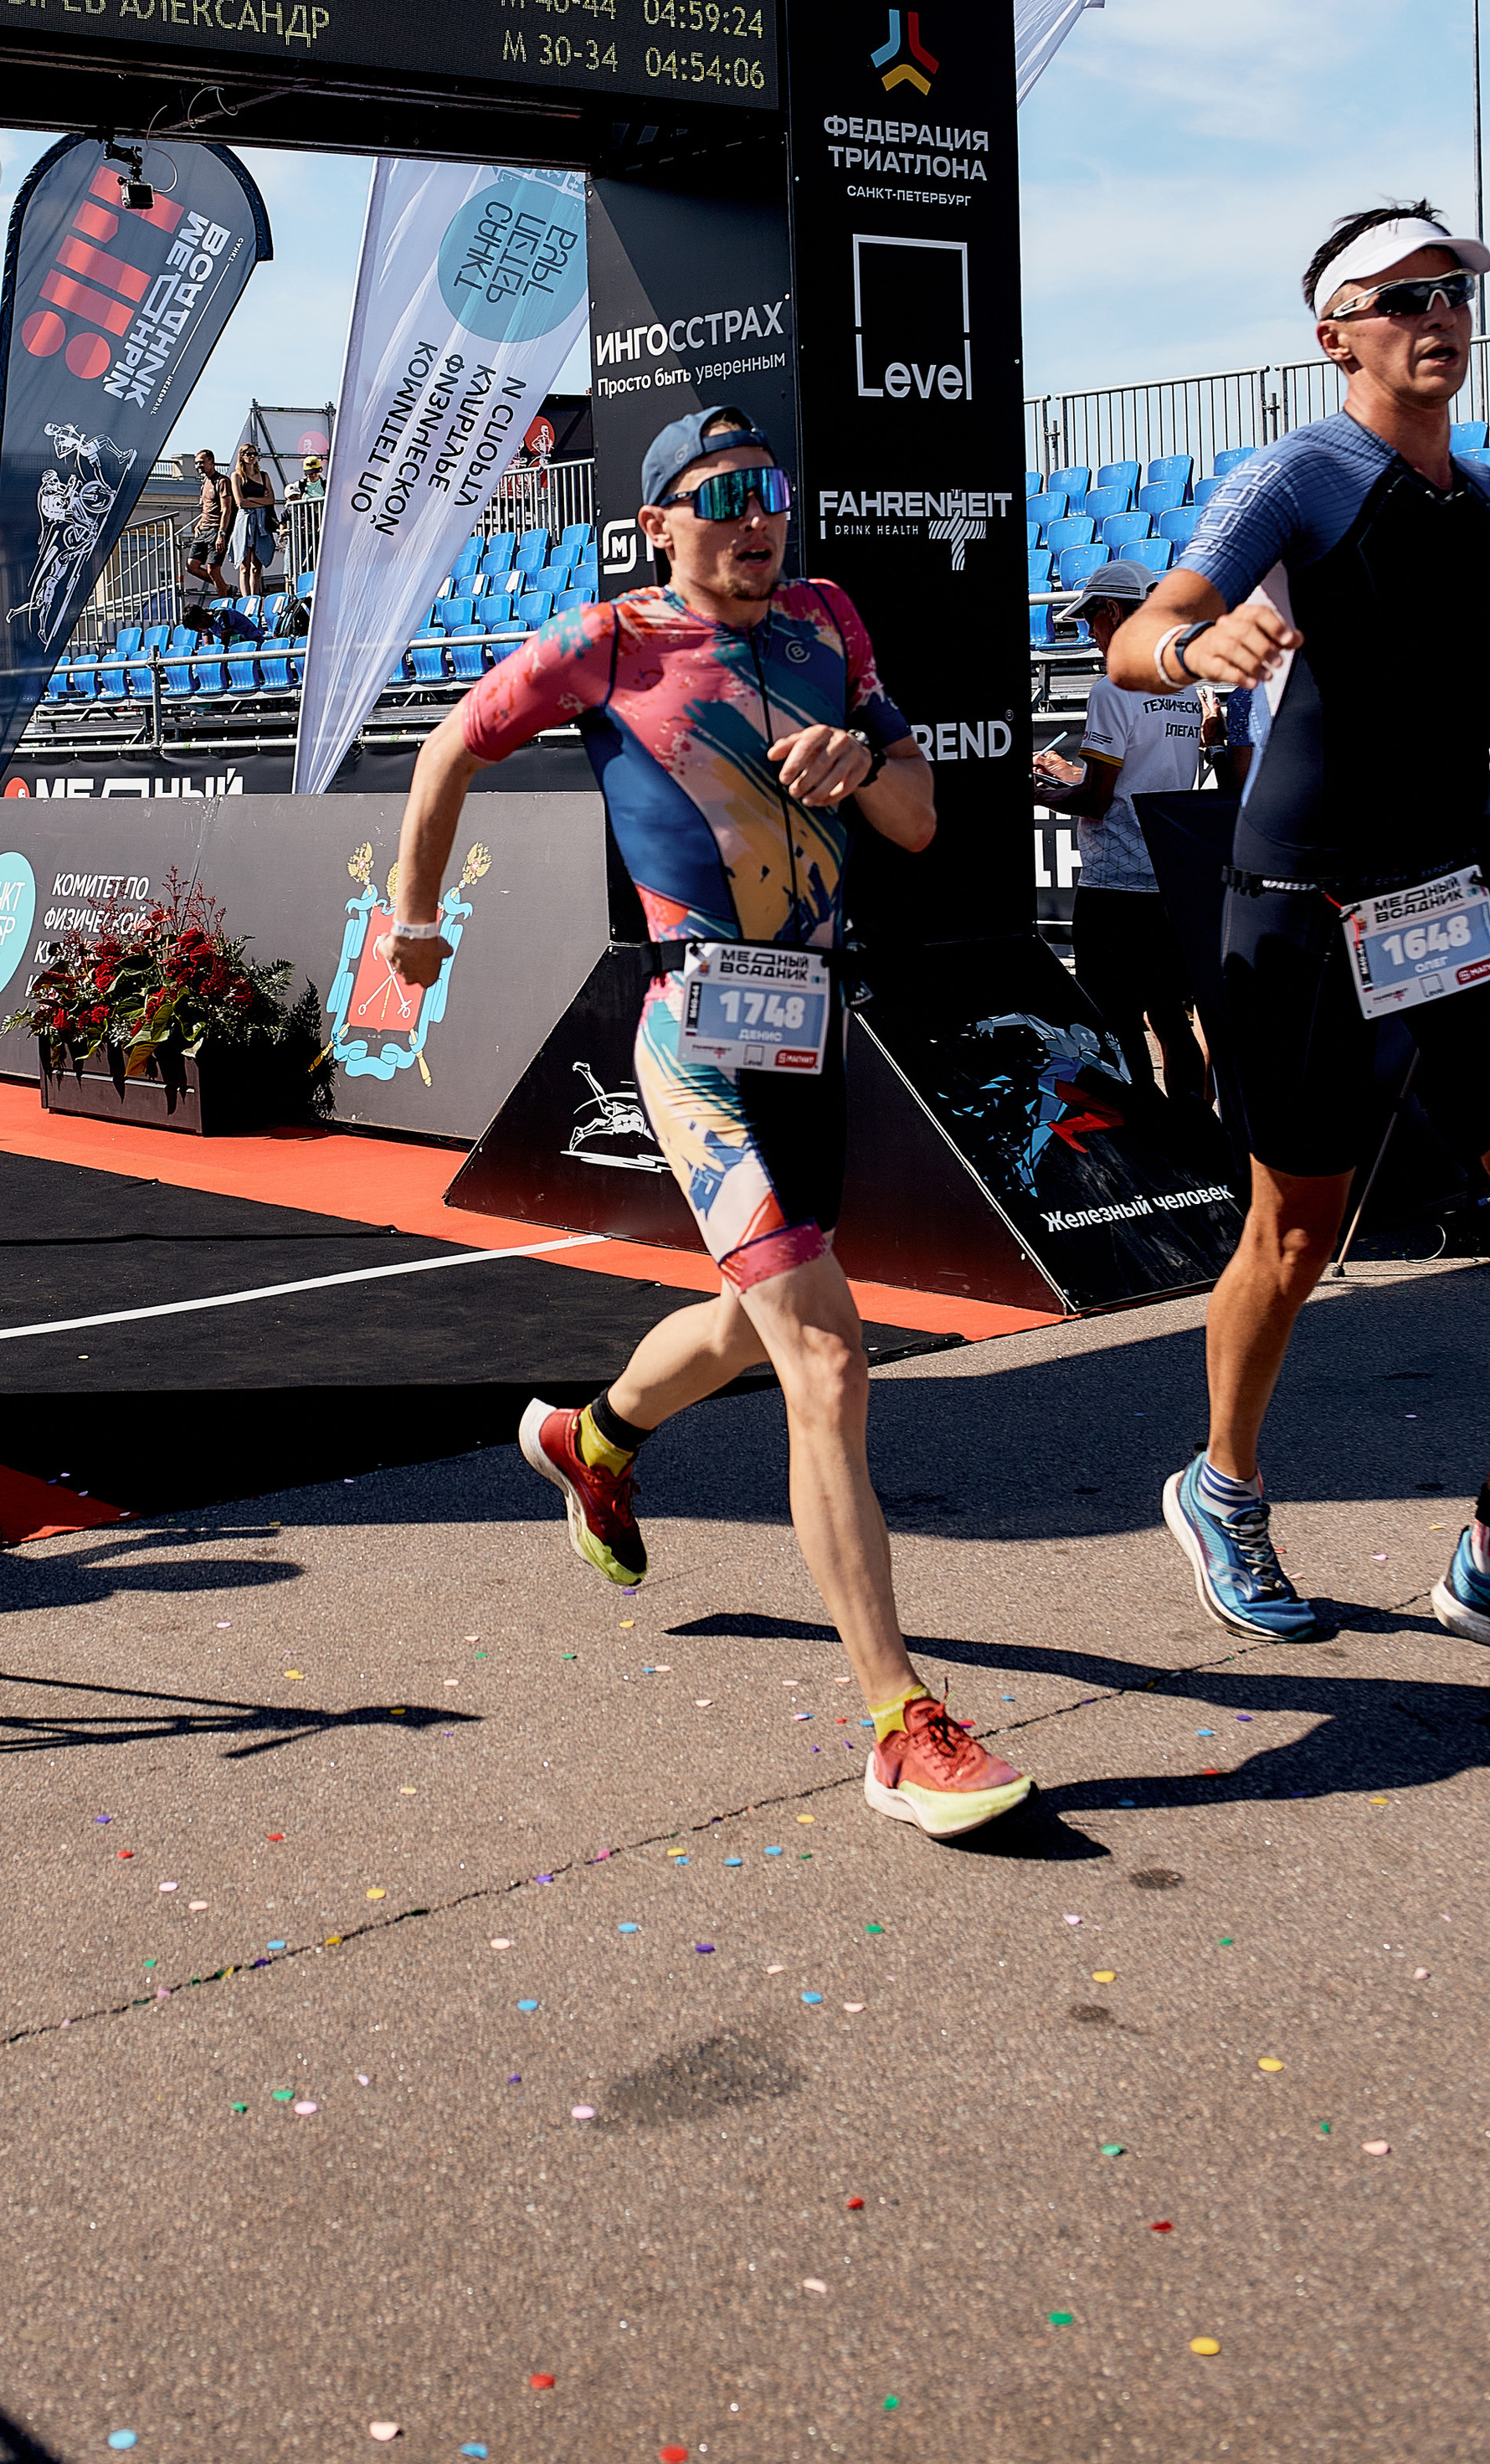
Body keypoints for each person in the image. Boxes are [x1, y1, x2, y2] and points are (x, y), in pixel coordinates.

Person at [387, 404, 1034, 1840]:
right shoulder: (604, 643)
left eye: (770, 489)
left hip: (809, 1029)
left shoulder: (827, 622)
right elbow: (445, 753)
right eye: (722, 494)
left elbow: (919, 819)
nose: (756, 515)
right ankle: (899, 1725)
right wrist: (413, 923)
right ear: (658, 525)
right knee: (827, 1354)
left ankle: (594, 1438)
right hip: (698, 1041)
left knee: (757, 1320)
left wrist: (864, 763)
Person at [1106, 201, 1490, 1644]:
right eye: (1402, 298)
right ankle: (1224, 1487)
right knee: (1295, 1232)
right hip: (1306, 906)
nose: (1437, 316)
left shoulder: (1482, 492)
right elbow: (1142, 635)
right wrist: (1197, 644)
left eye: (1451, 291)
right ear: (1336, 337)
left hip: (1451, 900)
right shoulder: (1300, 472)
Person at [1030, 555, 1208, 1116]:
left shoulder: (1113, 689)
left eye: (1091, 618)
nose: (1089, 631)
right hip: (1167, 878)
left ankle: (1142, 1130)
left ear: (1111, 610)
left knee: (1115, 1020)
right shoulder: (1183, 688)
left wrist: (1039, 795)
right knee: (1171, 1017)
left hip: (1114, 885)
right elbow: (1137, 780)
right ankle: (1193, 1127)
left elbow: (1099, 800)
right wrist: (1069, 776)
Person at [232, 439, 277, 594]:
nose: (252, 457)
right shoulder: (237, 476)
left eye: (254, 454)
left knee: (257, 566)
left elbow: (271, 500)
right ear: (242, 456)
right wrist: (260, 501)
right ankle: (246, 598)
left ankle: (256, 596)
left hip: (261, 521)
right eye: (248, 454)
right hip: (245, 520)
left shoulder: (263, 476)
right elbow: (240, 502)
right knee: (244, 565)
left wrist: (251, 499)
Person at [193, 447, 235, 582]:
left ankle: (223, 593)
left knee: (213, 569)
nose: (199, 466)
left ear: (211, 461)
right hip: (203, 529)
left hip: (216, 529)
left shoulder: (222, 481)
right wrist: (199, 524)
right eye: (197, 463)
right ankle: (226, 589)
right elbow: (207, 507)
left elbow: (226, 509)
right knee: (191, 566)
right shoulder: (205, 482)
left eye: (201, 462)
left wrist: (221, 534)